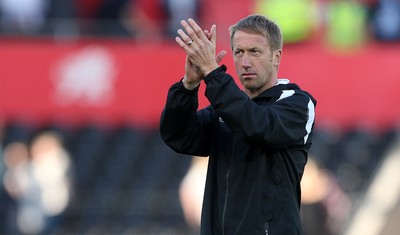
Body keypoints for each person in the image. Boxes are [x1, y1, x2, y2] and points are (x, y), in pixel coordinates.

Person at [160, 14, 317, 234]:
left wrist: (213, 73)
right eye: (239, 52)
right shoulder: (224, 110)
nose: (245, 62)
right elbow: (177, 135)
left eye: (254, 52)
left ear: (276, 56)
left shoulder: (297, 103)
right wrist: (189, 85)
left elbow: (257, 125)